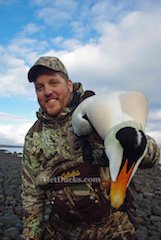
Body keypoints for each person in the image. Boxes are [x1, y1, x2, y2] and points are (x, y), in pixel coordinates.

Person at [22, 56, 160, 240]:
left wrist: (127, 137)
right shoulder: (34, 137)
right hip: (62, 232)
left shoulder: (99, 110)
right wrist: (31, 236)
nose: (47, 91)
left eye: (54, 83)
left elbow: (152, 157)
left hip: (113, 231)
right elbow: (32, 195)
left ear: (69, 85)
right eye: (40, 87)